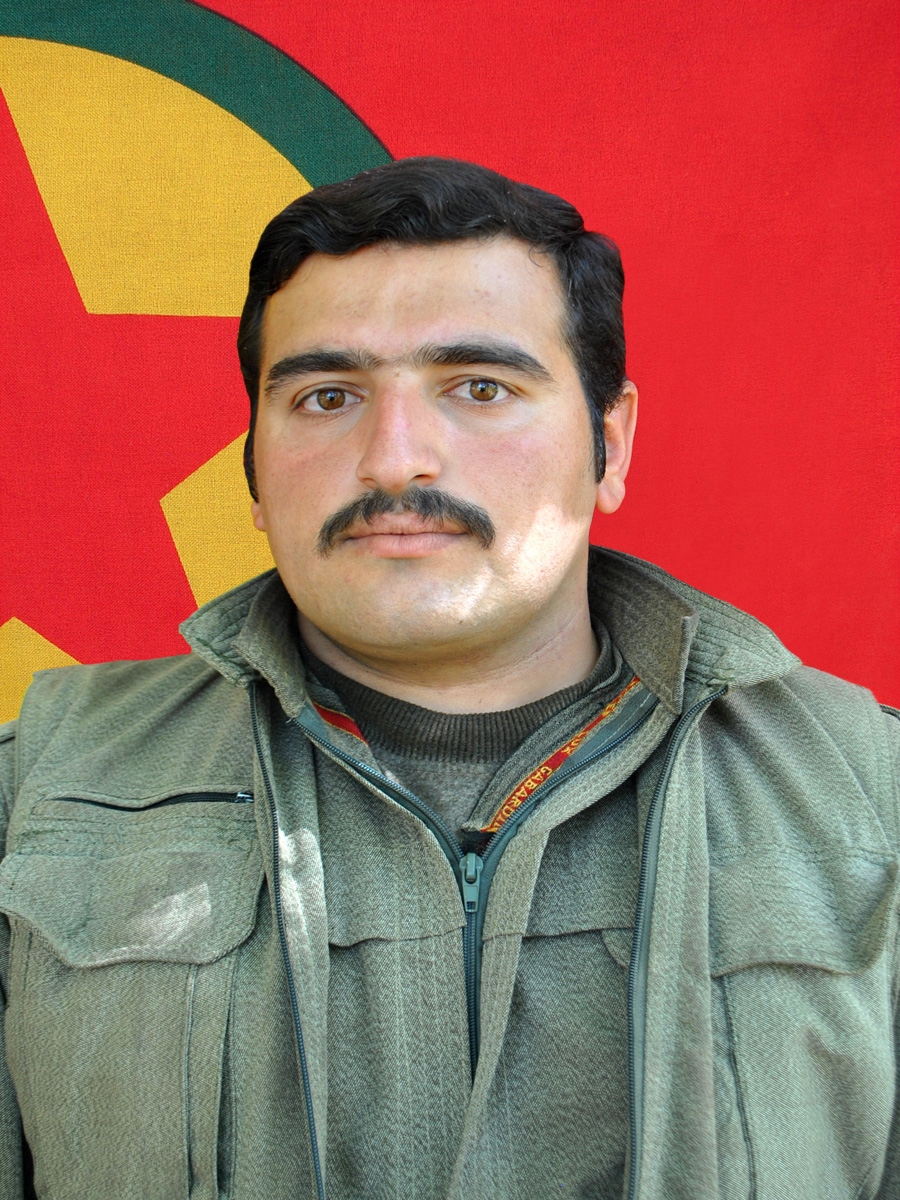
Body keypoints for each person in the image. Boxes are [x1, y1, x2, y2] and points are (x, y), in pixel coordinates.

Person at [0, 157, 897, 1200]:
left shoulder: (872, 790)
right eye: (327, 396)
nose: (394, 460)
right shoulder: (35, 792)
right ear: (254, 468)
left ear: (608, 446)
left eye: (480, 388)